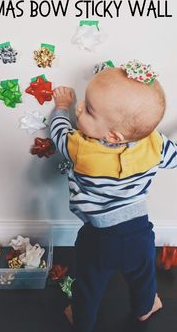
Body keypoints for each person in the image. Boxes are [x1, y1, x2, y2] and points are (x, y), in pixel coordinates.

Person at [50, 64, 177, 332]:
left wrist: (61, 106)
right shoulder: (155, 144)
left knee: (88, 282)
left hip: (97, 239)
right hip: (139, 235)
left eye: (89, 109)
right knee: (143, 277)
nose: (79, 107)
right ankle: (144, 309)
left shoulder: (78, 147)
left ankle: (83, 319)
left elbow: (58, 132)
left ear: (113, 135)